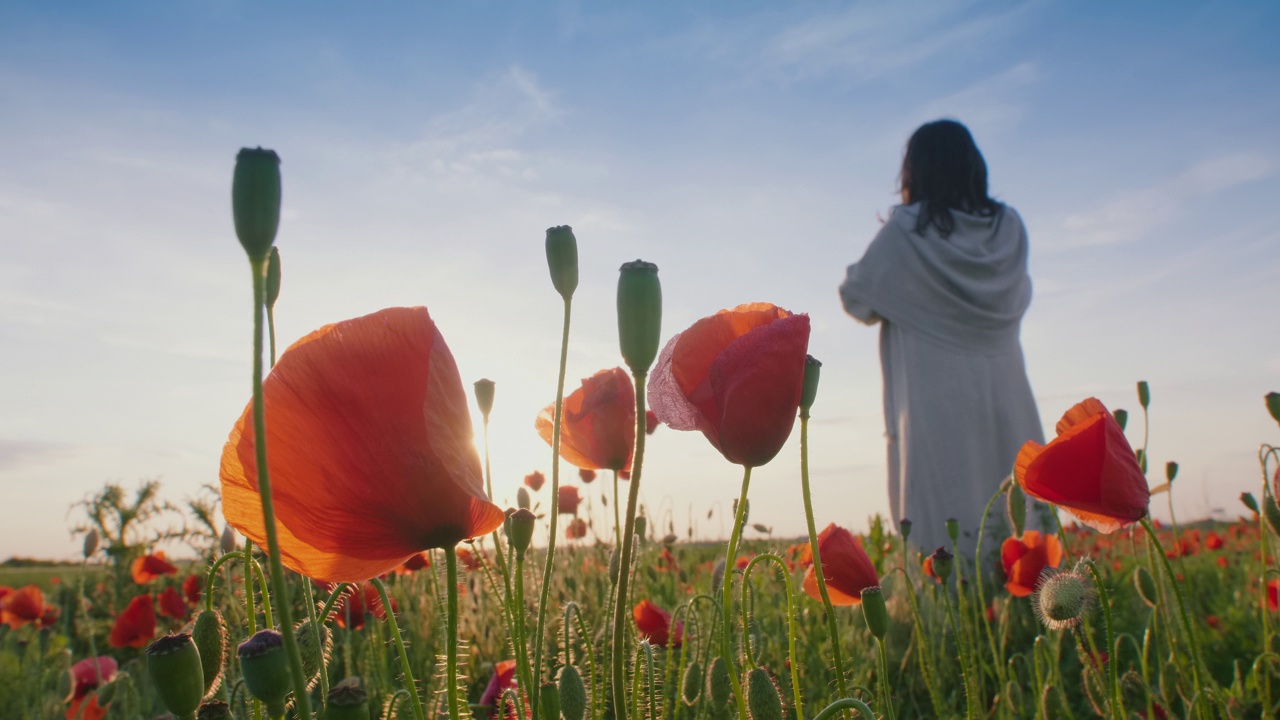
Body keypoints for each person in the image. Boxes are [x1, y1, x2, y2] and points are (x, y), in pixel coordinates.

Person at [839, 119, 1044, 555]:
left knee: (949, 519)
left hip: (936, 400)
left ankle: (958, 614)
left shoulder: (907, 232)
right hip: (1008, 392)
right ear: (974, 167)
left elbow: (856, 295)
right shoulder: (1009, 228)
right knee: (1022, 518)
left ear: (915, 171)